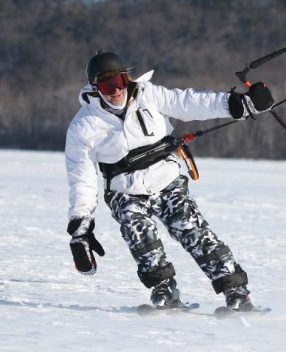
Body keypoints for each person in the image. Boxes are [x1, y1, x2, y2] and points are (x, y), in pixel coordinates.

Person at [65, 50, 274, 311]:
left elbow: (189, 103)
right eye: (108, 86)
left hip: (166, 180)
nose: (116, 91)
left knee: (193, 230)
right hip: (124, 190)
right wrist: (80, 224)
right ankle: (163, 289)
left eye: (120, 82)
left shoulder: (148, 95)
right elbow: (81, 177)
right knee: (139, 234)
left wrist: (237, 104)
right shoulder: (83, 126)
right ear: (96, 88)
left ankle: (236, 290)